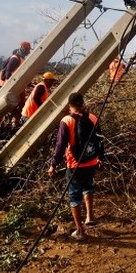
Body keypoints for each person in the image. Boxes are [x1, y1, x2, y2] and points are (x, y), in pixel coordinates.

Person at [49, 92, 100, 240]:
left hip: (75, 165)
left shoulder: (67, 121)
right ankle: (90, 216)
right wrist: (100, 157)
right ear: (82, 103)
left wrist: (53, 164)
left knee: (74, 195)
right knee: (88, 186)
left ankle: (79, 230)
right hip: (91, 162)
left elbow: (60, 146)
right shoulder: (93, 117)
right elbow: (100, 140)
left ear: (69, 105)